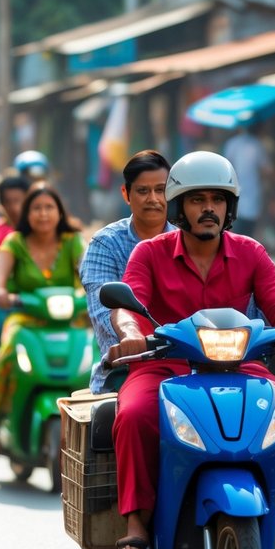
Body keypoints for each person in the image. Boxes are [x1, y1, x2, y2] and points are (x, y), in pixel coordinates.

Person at [105, 151, 275, 549]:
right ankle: (137, 522)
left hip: (239, 366)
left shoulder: (251, 252)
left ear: (230, 208)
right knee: (133, 413)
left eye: (218, 199)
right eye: (197, 199)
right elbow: (128, 306)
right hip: (164, 366)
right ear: (179, 207)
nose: (209, 208)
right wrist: (132, 334)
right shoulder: (150, 253)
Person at [0, 183, 85, 455]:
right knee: (3, 359)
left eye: (50, 207)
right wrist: (1, 293)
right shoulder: (14, 242)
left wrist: (90, 293)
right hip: (25, 320)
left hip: (68, 321)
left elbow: (89, 277)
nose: (44, 214)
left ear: (60, 212)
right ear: (27, 213)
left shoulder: (73, 241)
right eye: (37, 208)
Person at [80, 149, 175, 394]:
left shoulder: (189, 240)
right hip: (126, 367)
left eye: (160, 190)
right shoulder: (105, 244)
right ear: (126, 194)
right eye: (143, 191)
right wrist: (131, 336)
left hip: (189, 363)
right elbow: (103, 311)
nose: (153, 198)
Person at [222, 126, 274, 242]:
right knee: (248, 236)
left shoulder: (232, 143)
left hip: (234, 194)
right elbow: (267, 170)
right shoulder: (258, 145)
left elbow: (226, 168)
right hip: (252, 195)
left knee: (233, 234)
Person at [0, 176, 29, 263]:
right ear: (2, 203)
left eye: (17, 200)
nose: (14, 208)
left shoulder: (37, 228)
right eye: (8, 202)